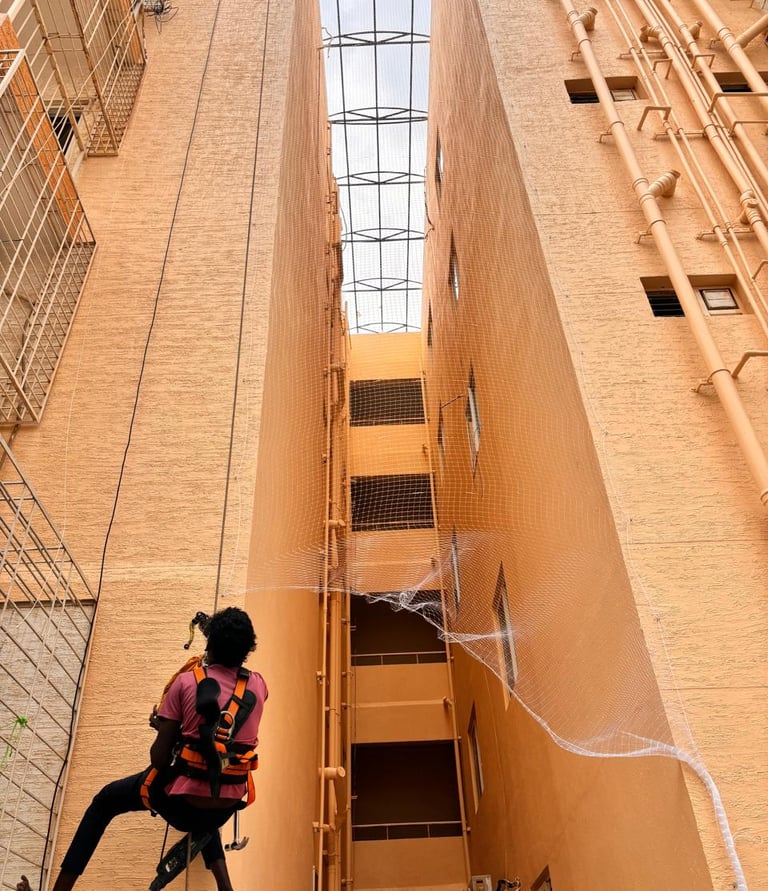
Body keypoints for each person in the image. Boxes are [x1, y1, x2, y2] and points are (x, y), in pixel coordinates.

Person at [29, 606, 267, 891]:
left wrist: (165, 729)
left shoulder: (186, 683)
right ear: (247, 651)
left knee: (105, 802)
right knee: (209, 785)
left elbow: (159, 760)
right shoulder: (260, 685)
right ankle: (225, 887)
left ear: (210, 643)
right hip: (226, 806)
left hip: (180, 808)